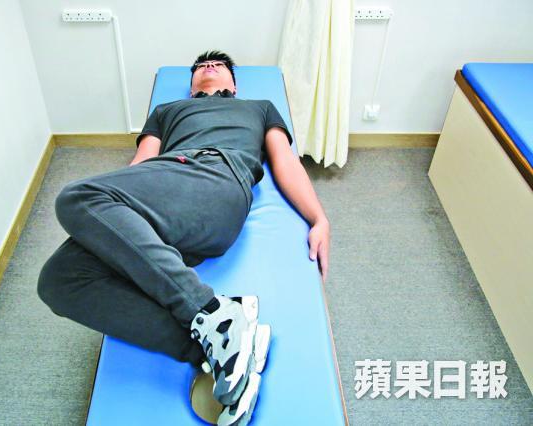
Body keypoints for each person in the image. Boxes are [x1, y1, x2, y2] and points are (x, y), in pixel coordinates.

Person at [37, 50, 331, 425]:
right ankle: (214, 350)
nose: (208, 67)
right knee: (58, 281)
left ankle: (213, 313)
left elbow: (285, 160)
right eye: (201, 67)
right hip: (165, 189)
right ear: (191, 87)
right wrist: (120, 211)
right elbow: (141, 164)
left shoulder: (259, 107)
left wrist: (318, 218)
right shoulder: (167, 110)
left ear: (234, 83)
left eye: (218, 65)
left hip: (216, 178)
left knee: (77, 196)